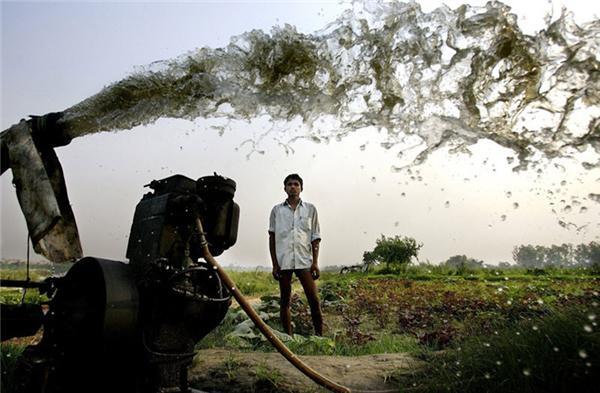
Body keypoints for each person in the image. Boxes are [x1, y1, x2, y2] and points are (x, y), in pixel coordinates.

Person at [268, 173, 323, 336]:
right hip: (284, 261)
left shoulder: (310, 209)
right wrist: (275, 264)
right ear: (285, 188)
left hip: (304, 261)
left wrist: (315, 262)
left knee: (314, 300)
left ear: (301, 188)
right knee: (285, 301)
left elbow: (315, 237)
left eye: (296, 184)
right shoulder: (277, 210)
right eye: (290, 184)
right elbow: (272, 238)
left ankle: (320, 336)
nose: (293, 187)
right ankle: (288, 339)